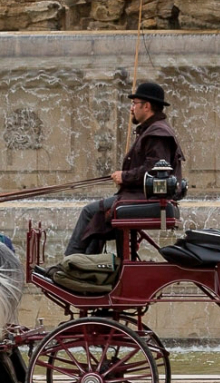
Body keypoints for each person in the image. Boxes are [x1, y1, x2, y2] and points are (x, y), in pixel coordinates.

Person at [64, 81, 184, 257]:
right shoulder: (153, 130)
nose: (131, 108)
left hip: (147, 199)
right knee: (100, 213)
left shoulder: (157, 133)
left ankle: (70, 261)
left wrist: (125, 176)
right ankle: (84, 266)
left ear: (147, 106)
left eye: (135, 104)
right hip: (141, 196)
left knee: (89, 211)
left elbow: (155, 170)